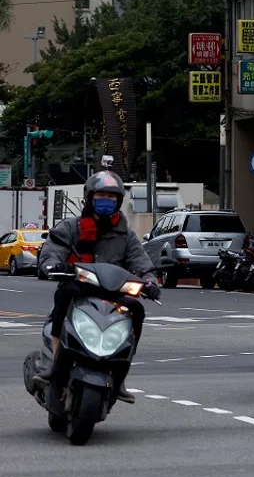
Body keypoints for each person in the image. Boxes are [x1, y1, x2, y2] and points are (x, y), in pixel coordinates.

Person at [33, 171, 161, 403]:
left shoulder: (126, 234)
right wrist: (53, 265)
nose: (105, 201)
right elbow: (51, 252)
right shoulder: (71, 227)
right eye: (100, 195)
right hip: (79, 288)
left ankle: (120, 375)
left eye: (111, 197)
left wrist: (150, 282)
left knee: (137, 309)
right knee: (66, 294)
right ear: (89, 198)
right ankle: (55, 361)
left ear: (118, 201)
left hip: (112, 293)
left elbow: (141, 262)